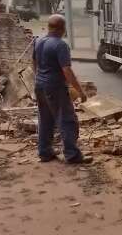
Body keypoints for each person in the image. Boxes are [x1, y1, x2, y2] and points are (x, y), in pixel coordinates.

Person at [32, 14, 92, 164]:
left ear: (49, 27)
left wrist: (39, 77)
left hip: (39, 85)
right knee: (67, 120)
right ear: (62, 29)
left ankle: (45, 153)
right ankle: (72, 155)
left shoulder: (38, 41)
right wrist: (80, 91)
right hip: (55, 87)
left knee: (45, 119)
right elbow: (67, 70)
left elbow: (34, 62)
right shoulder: (60, 45)